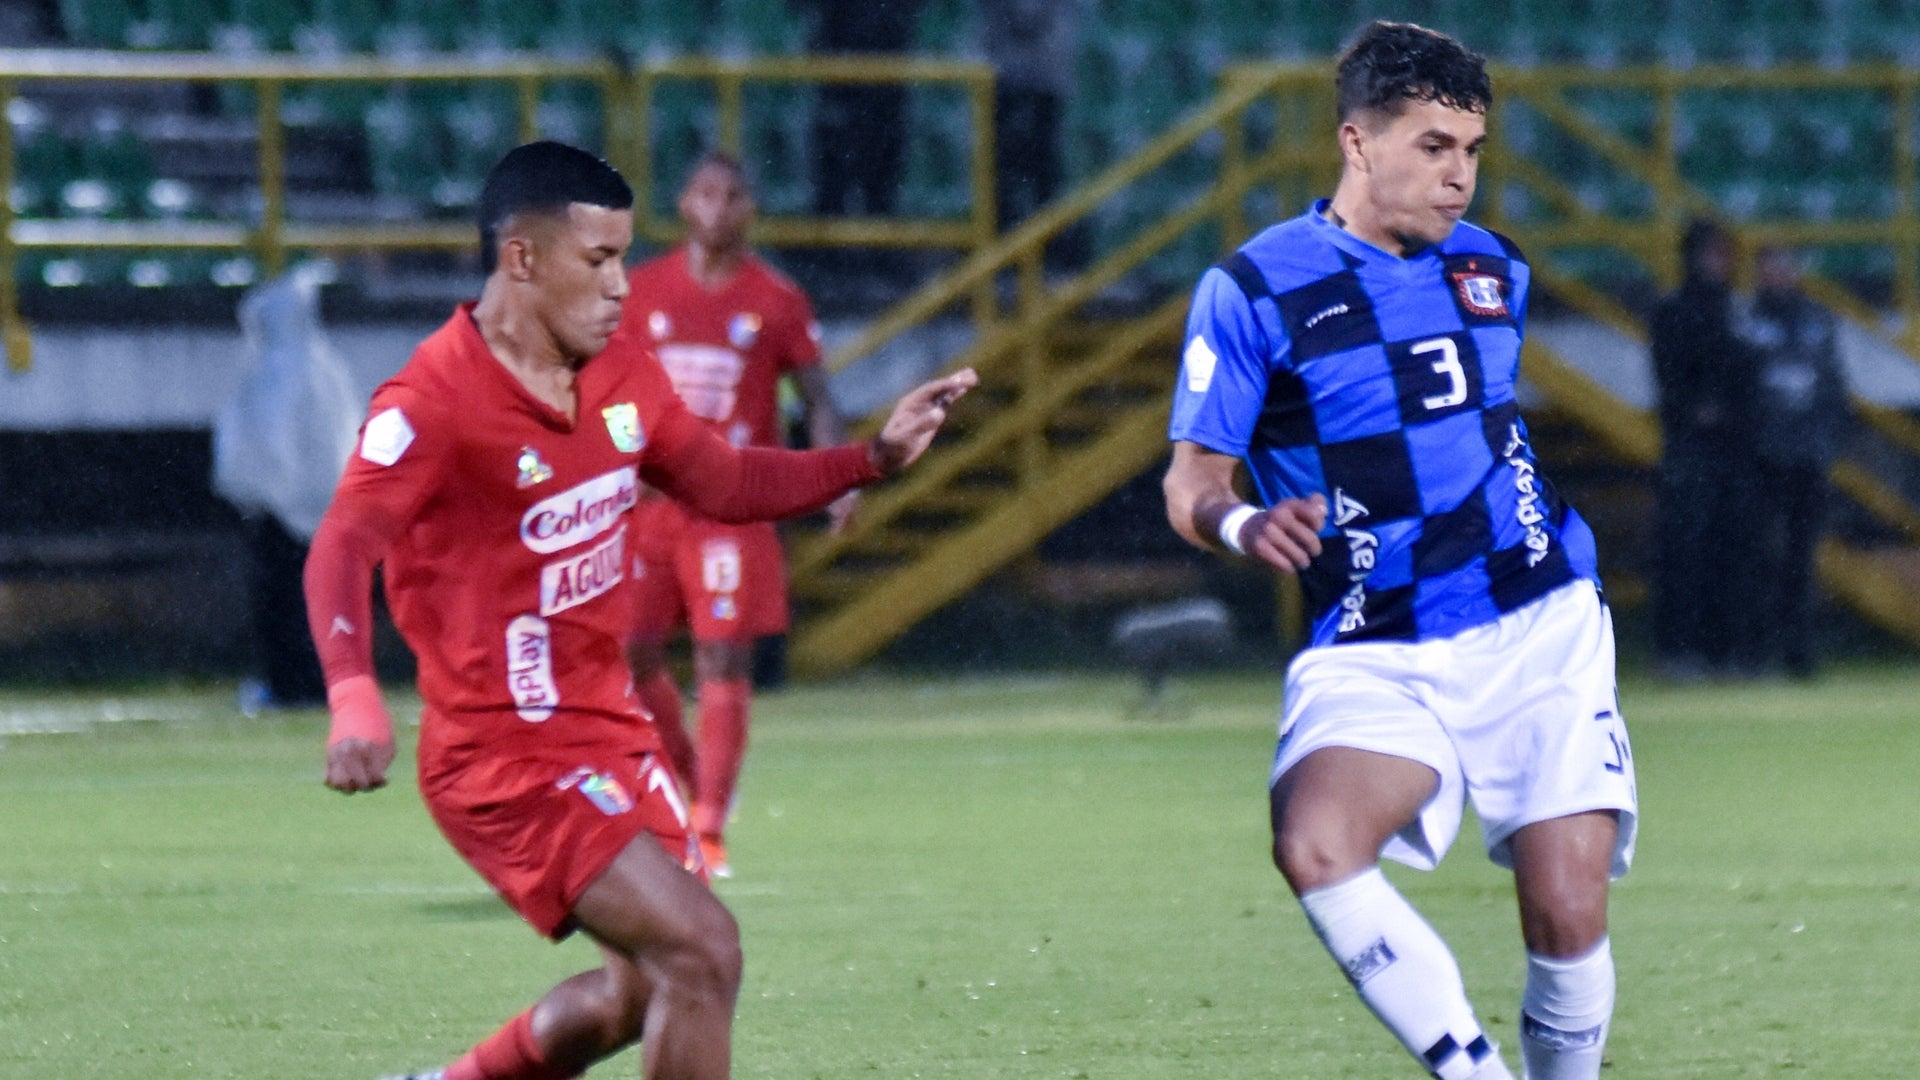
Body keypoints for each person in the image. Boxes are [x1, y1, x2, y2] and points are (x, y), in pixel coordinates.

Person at [303, 140, 975, 1080]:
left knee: (649, 989)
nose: (622, 285)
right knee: (706, 951)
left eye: (623, 255)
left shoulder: (620, 371)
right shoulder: (431, 400)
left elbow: (728, 479)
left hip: (610, 735)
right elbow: (342, 544)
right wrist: (352, 695)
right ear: (521, 259)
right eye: (599, 260)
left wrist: (872, 460)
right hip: (501, 753)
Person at [1161, 23, 1637, 1080]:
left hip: (1537, 617)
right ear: (1357, 142)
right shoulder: (1253, 289)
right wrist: (1242, 523)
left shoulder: (1494, 270)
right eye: (1433, 146)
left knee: (1565, 912)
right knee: (1315, 845)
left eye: (1472, 148)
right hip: (1377, 635)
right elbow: (1192, 484)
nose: (1460, 175)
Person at [622, 151, 852, 877]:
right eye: (706, 193)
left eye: (733, 195)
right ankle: (693, 781)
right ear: (683, 204)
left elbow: (816, 396)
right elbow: (604, 387)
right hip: (651, 505)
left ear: (749, 209)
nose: (718, 208)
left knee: (724, 655)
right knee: (629, 653)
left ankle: (710, 825)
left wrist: (837, 475)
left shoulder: (776, 299)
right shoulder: (640, 292)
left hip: (732, 506)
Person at [213, 261, 361, 712]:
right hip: (320, 508)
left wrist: (260, 492)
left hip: (284, 511)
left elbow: (265, 442)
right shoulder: (323, 365)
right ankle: (314, 682)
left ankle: (291, 684)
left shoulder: (280, 370)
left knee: (283, 602)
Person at [1649, 219, 1760, 679]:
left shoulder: (1736, 309)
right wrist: (1699, 409)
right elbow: (1671, 375)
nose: (1722, 262)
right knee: (1686, 550)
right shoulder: (1675, 310)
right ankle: (1680, 651)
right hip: (1690, 449)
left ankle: (1729, 650)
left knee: (1733, 548)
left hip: (1733, 450)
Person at [1734, 243, 1851, 679]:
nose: (1776, 277)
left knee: (1801, 560)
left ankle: (1799, 654)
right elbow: (1738, 390)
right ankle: (1756, 651)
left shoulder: (1816, 319)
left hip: (1805, 458)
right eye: (1768, 268)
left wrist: (1826, 442)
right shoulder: (1745, 321)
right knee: (1758, 556)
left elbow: (1833, 386)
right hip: (1760, 460)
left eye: (1782, 267)